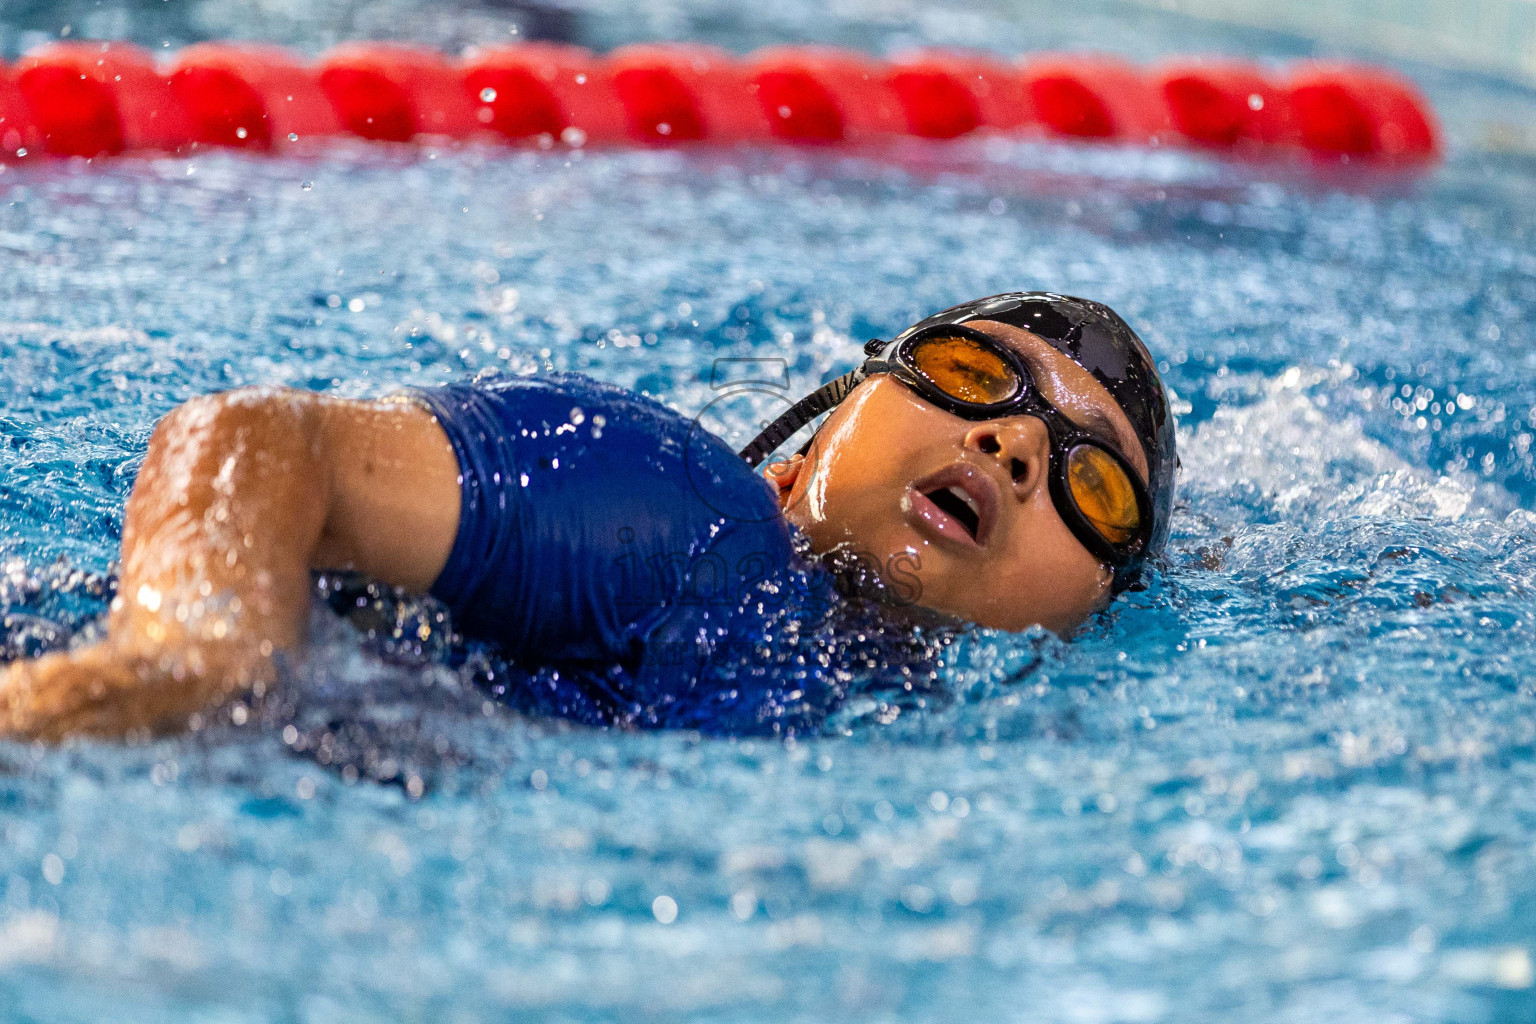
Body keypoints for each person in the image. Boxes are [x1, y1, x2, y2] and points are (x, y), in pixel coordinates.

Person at [0, 291, 1176, 741]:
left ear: (1094, 619)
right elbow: (254, 438)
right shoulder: (688, 520)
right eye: (971, 374)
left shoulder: (928, 741)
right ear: (801, 453)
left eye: (1096, 484)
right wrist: (191, 652)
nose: (1016, 444)